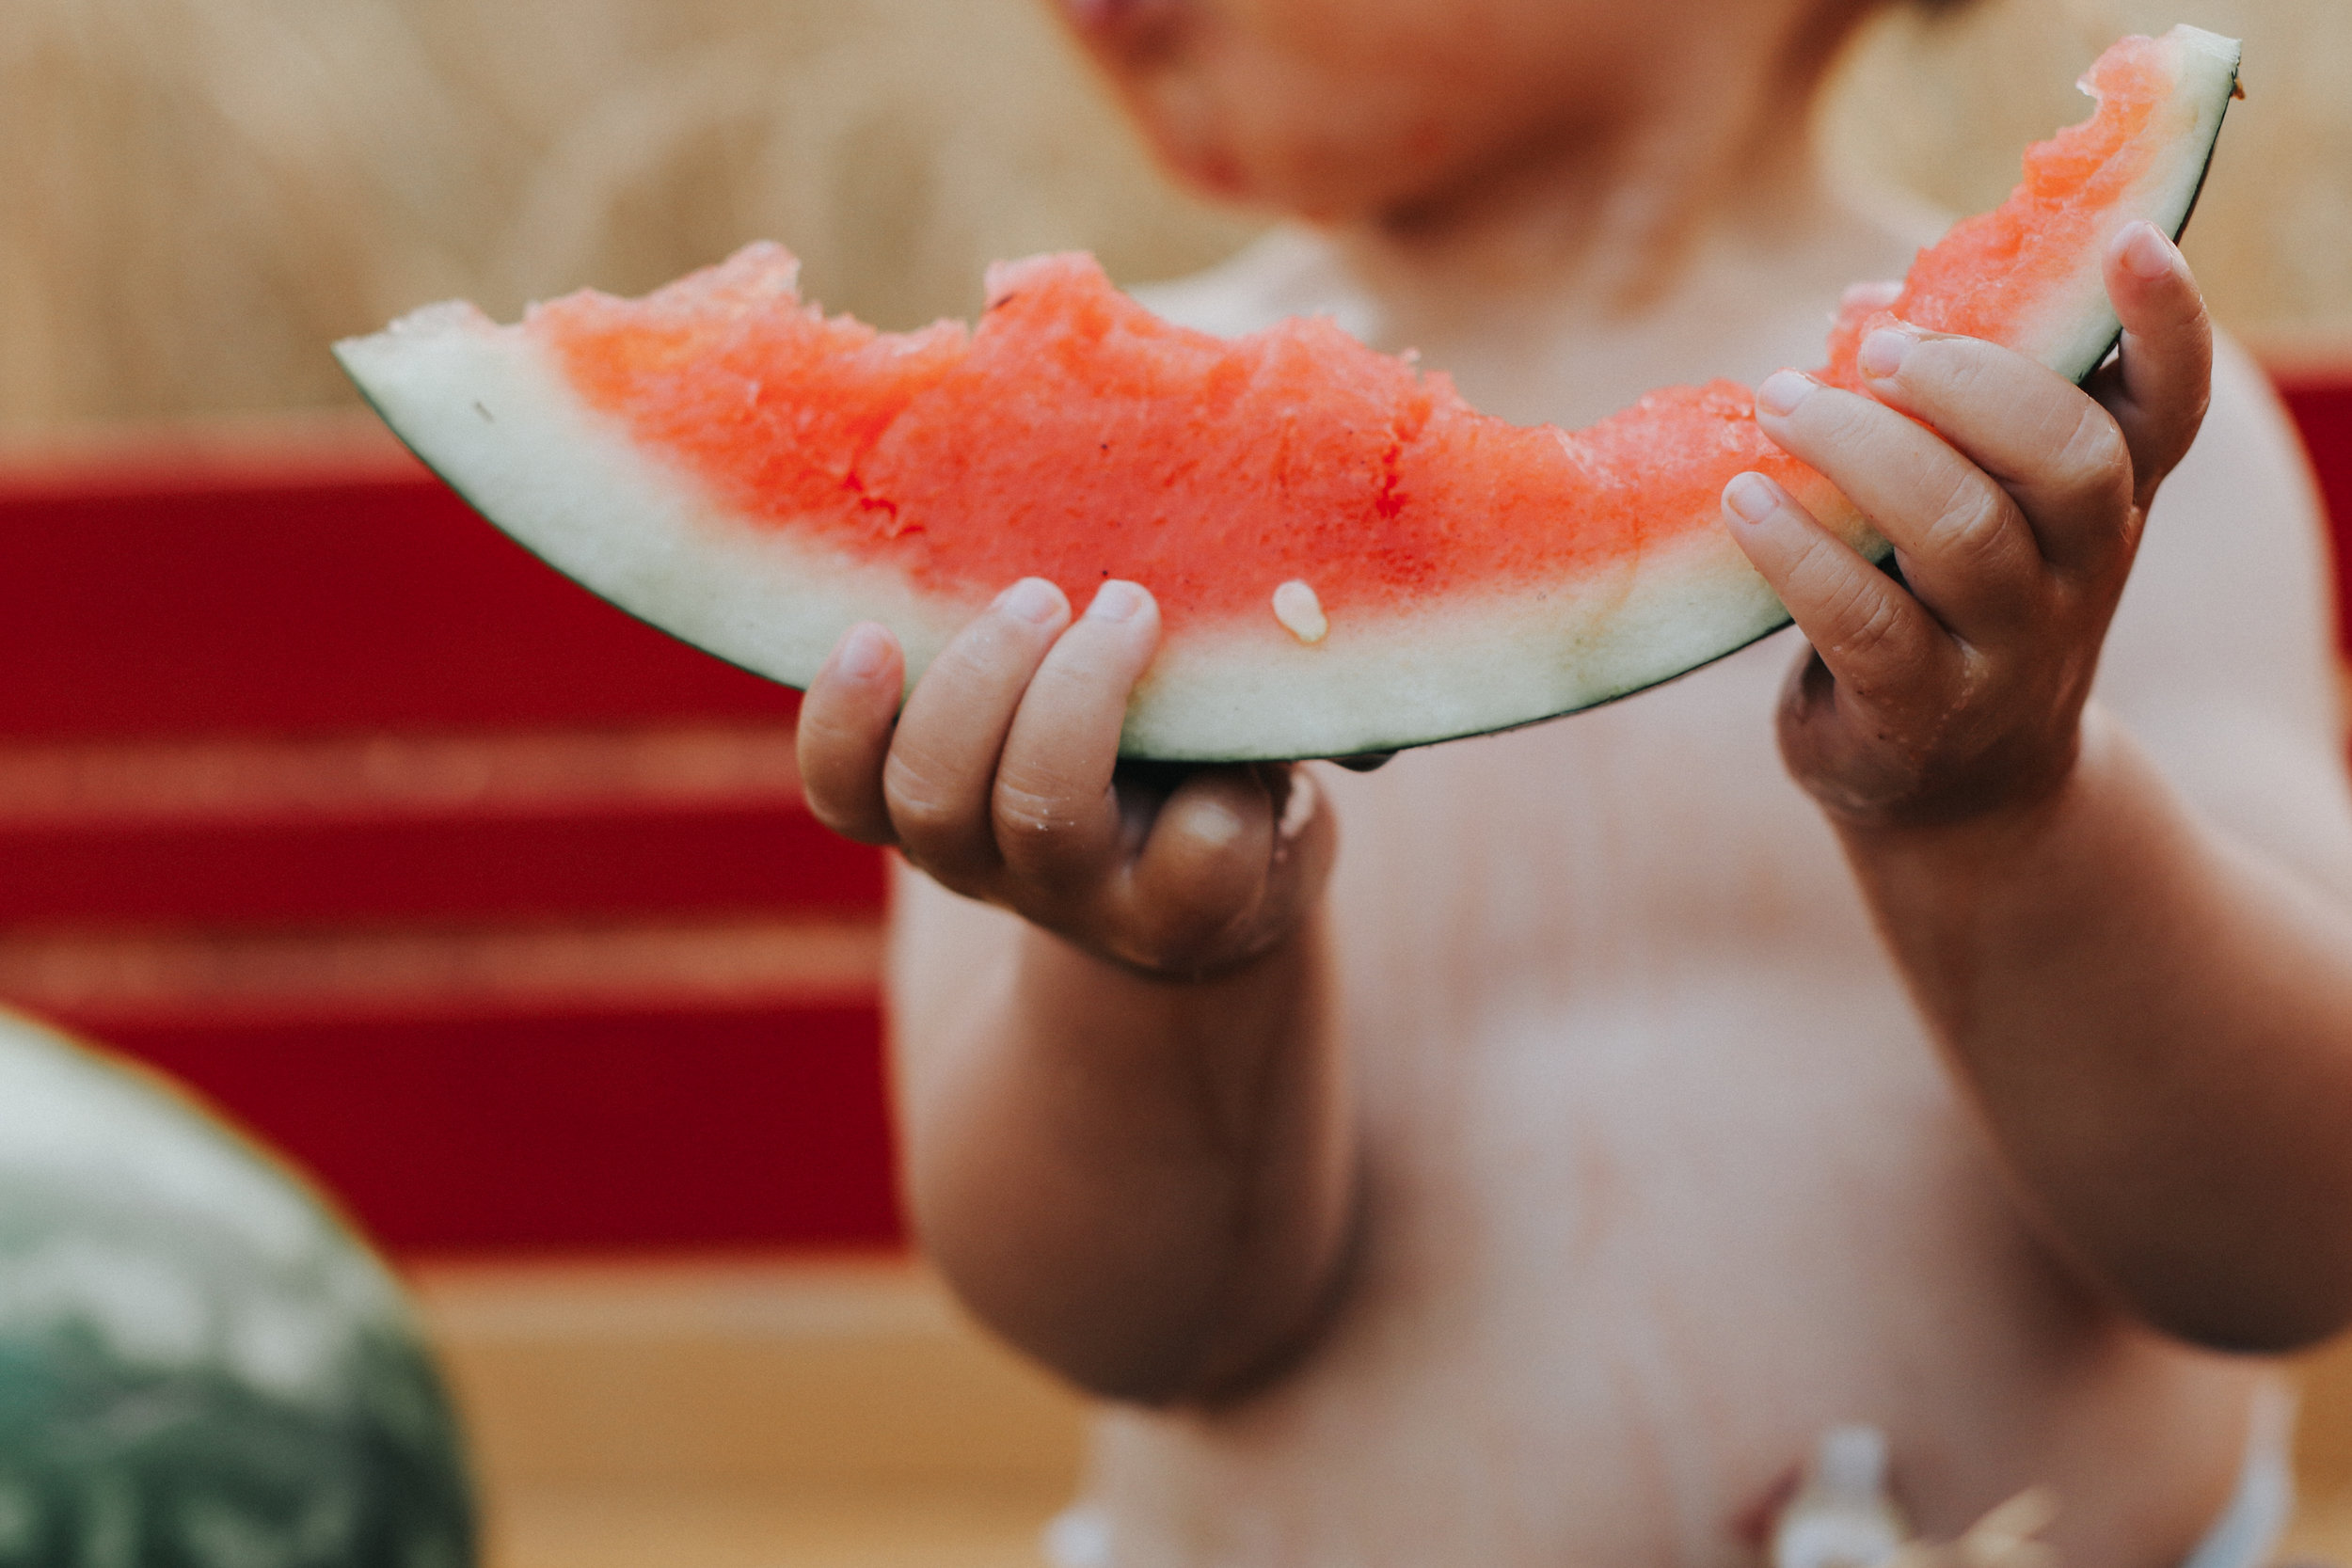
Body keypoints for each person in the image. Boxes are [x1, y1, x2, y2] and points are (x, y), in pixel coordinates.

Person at [793, 0, 2352, 1562]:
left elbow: (2298, 1238)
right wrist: (1153, 968)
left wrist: (2008, 813)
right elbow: (1138, 1335)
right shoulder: (1079, 499)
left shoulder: (2071, 449)